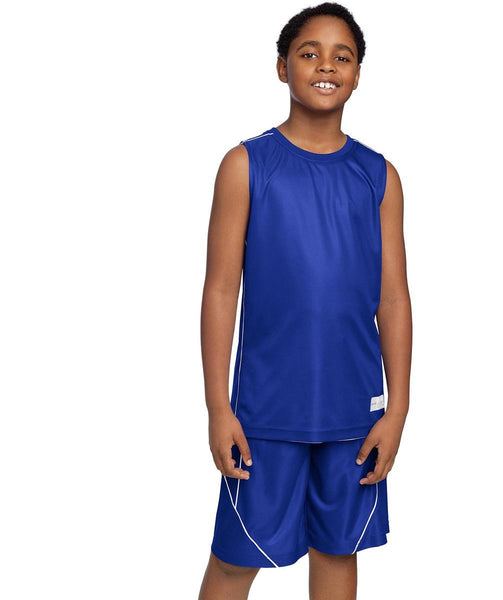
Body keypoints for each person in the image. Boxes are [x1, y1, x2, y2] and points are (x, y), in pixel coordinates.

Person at [198, 3, 411, 598]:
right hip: (265, 412)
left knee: (339, 553)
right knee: (235, 559)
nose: (326, 65)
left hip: (355, 413)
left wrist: (396, 409)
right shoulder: (245, 165)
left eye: (342, 56)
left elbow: (393, 298)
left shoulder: (379, 175)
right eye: (309, 53)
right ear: (281, 67)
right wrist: (218, 407)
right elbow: (220, 290)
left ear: (358, 74)